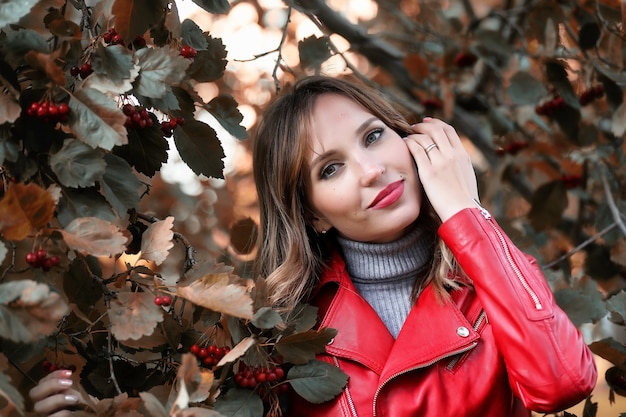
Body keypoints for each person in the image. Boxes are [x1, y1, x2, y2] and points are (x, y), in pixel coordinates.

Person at [30, 75, 597, 416]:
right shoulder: (281, 336)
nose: (372, 171)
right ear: (313, 216)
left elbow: (563, 381)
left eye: (374, 136)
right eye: (331, 169)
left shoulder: (492, 279)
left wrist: (467, 215)